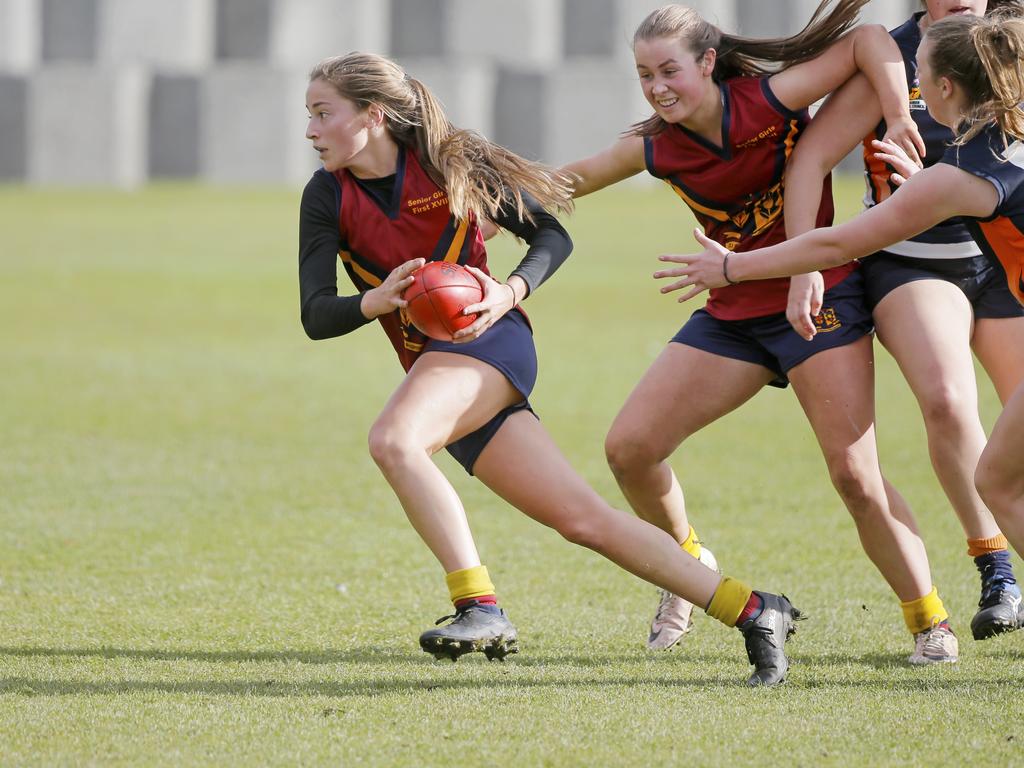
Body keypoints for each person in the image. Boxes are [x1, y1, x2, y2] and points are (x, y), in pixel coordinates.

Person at [299, 51, 801, 686]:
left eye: (323, 113)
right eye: (308, 116)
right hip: (436, 367)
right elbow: (315, 313)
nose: (311, 130)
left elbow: (550, 237)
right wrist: (374, 301)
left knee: (395, 441)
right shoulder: (325, 196)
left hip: (492, 341)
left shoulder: (448, 163)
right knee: (584, 521)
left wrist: (509, 291)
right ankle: (755, 610)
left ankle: (479, 606)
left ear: (372, 115)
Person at [559, 0, 961, 664]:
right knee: (630, 449)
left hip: (821, 303)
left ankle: (930, 622)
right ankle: (687, 566)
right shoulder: (657, 148)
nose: (658, 88)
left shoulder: (768, 100)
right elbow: (566, 181)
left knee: (855, 477)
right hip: (735, 314)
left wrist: (896, 112)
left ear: (709, 63)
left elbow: (866, 38)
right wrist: (479, 208)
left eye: (670, 71)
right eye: (644, 75)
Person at [658, 10, 1024, 629]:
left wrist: (732, 270)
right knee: (996, 474)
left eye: (919, 80)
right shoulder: (988, 146)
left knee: (1001, 482)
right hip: (924, 257)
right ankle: (996, 578)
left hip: (950, 257)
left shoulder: (957, 178)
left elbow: (834, 246)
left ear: (941, 91)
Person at [773, 0, 1024, 642]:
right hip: (915, 264)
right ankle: (996, 566)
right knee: (945, 400)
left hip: (999, 254)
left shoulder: (1010, 45)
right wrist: (804, 266)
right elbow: (809, 160)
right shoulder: (896, 55)